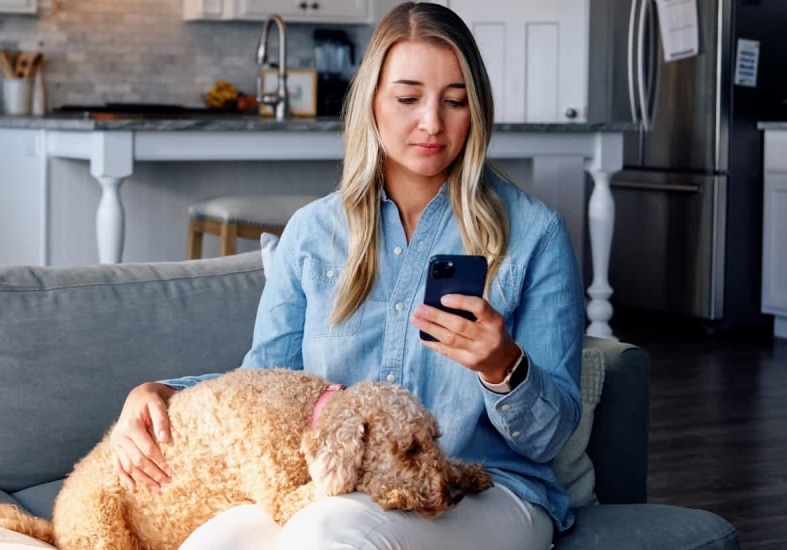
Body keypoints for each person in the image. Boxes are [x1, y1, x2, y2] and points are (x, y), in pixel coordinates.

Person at [107, 3, 585, 549]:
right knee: (215, 541)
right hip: (344, 487)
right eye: (407, 99)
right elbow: (266, 383)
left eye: (455, 101)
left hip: (487, 490)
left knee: (328, 529)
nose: (432, 122)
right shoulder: (312, 234)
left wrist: (504, 368)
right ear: (371, 104)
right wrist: (162, 393)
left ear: (476, 110)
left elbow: (548, 439)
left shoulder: (534, 235)